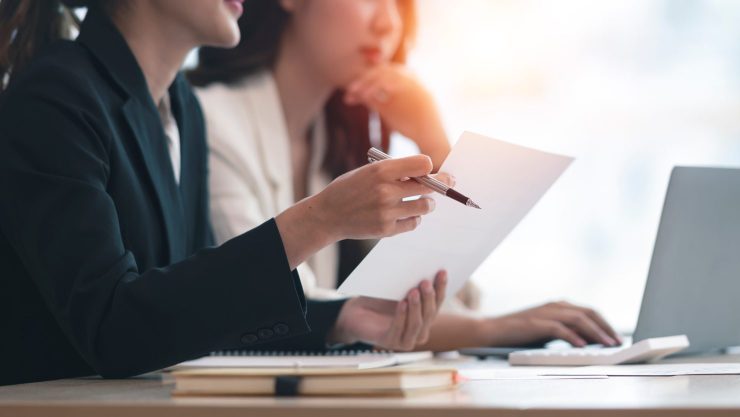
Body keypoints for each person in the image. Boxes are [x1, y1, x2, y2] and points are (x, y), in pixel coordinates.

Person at [0, 0, 447, 386]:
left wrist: (339, 320)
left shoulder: (182, 109)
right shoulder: (54, 99)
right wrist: (318, 220)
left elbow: (187, 317)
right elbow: (113, 331)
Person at [189, 0, 622, 351]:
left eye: (399, 4)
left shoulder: (332, 145)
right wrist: (490, 331)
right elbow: (276, 304)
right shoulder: (211, 120)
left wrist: (432, 139)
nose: (387, 22)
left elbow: (435, 294)